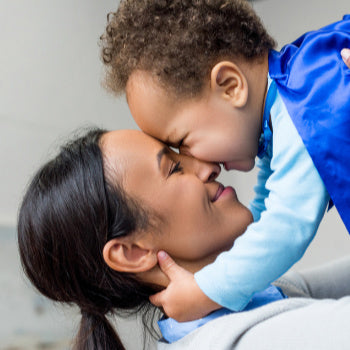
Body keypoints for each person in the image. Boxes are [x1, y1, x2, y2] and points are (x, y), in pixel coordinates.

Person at [99, 0, 350, 320]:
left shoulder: (305, 111)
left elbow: (285, 227)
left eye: (183, 143)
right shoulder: (293, 90)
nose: (202, 165)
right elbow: (266, 206)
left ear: (231, 87)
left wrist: (205, 290)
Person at [18, 128, 350, 349]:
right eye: (175, 168)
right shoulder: (244, 341)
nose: (208, 166)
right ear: (132, 252)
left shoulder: (250, 303)